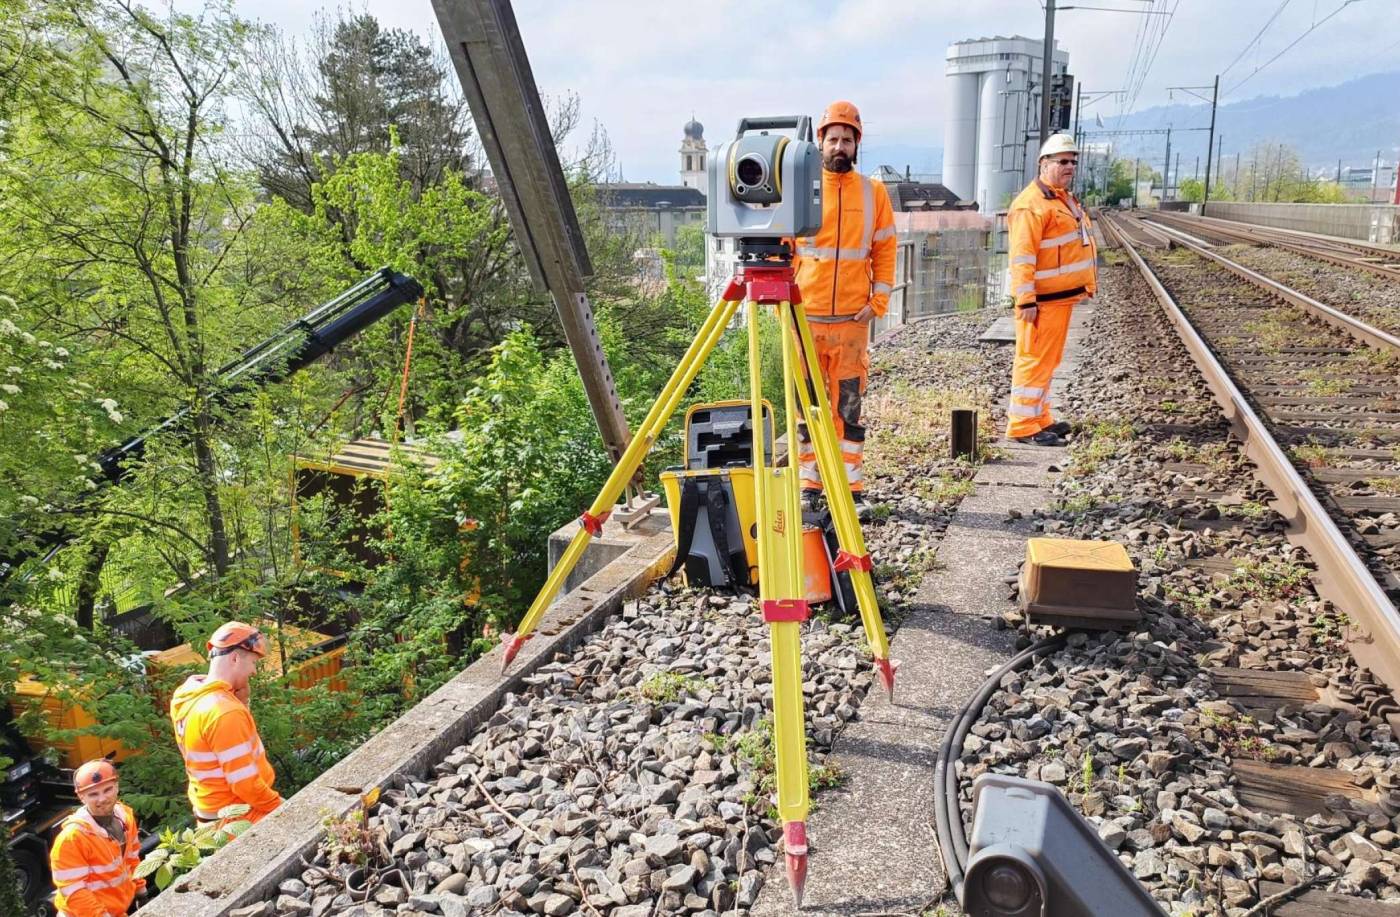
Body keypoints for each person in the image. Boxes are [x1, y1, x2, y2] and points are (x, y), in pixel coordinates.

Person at [791, 99, 897, 511]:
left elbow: (885, 248)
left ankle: (851, 490)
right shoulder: (801, 191)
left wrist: (880, 299)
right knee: (808, 410)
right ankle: (810, 487)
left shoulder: (874, 193)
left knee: (849, 408)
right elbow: (785, 249)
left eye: (847, 140)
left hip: (852, 323)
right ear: (820, 141)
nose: (839, 146)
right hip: (806, 321)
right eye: (833, 138)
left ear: (856, 145)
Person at [1005, 133, 1098, 446]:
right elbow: (1022, 257)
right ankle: (1022, 425)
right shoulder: (1030, 207)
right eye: (1063, 161)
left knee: (1048, 361)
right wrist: (1026, 300)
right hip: (1041, 303)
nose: (1070, 166)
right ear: (1043, 164)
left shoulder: (1059, 198)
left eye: (1073, 161)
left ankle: (1040, 416)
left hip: (1058, 300)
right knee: (1033, 359)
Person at [169, 621, 282, 825]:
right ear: (236, 657)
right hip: (238, 814)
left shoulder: (187, 695)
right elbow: (244, 783)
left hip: (211, 811)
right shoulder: (224, 712)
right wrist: (280, 808)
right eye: (253, 663)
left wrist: (242, 702)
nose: (254, 672)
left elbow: (223, 746)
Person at [48, 759, 144, 917]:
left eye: (107, 790)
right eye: (93, 794)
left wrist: (141, 891)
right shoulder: (72, 838)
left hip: (116, 910)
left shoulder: (125, 817)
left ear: (117, 787)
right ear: (81, 797)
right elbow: (74, 891)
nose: (102, 799)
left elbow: (132, 858)